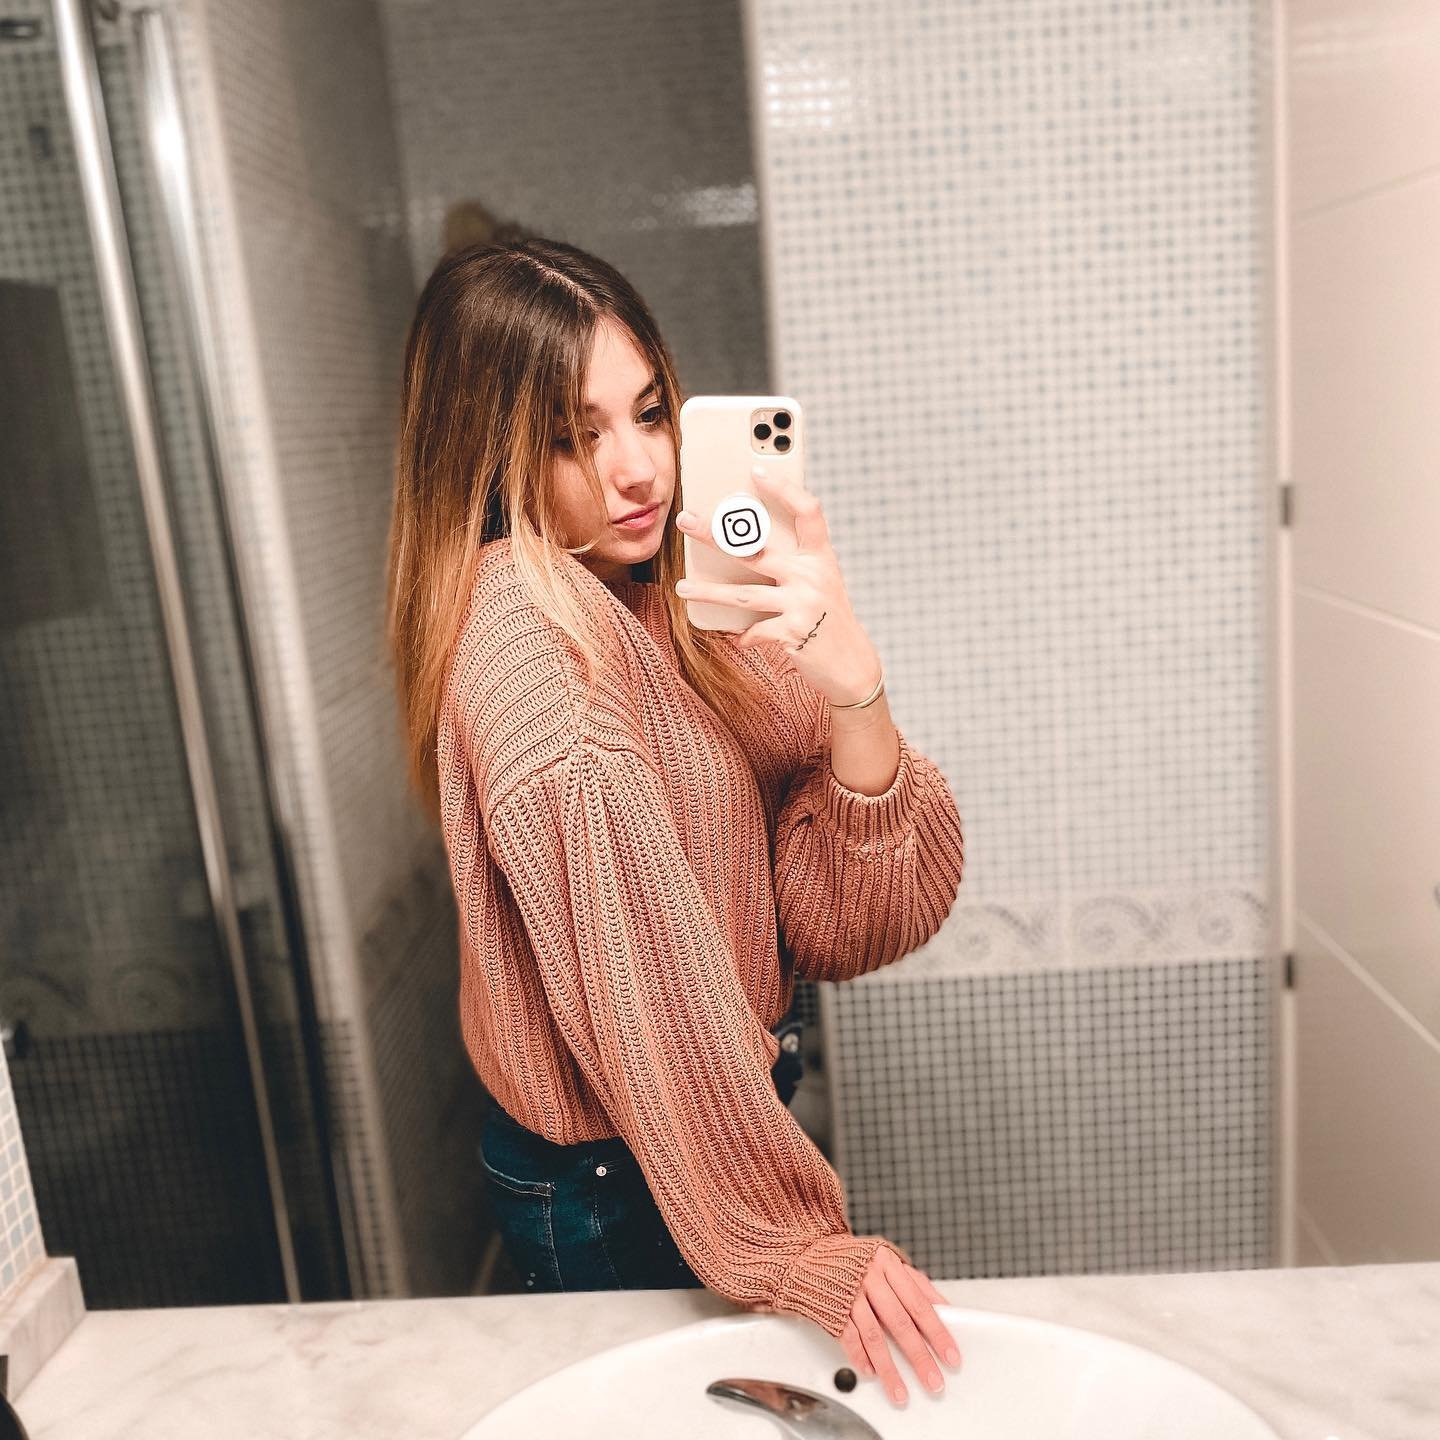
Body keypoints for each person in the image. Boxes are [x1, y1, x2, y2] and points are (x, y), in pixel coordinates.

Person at [383, 236, 966, 1408]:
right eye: (574, 436)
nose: (639, 467)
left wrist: (852, 687)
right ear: (489, 452)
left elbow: (845, 924)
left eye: (650, 413)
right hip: (628, 1179)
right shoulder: (538, 651)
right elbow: (645, 991)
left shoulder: (668, 608)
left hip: (698, 1137)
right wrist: (789, 1243)